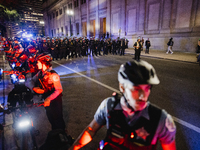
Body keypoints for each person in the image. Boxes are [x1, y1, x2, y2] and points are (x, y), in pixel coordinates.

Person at [69, 60, 176, 150]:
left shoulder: (161, 120)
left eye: (147, 88)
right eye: (136, 89)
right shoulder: (109, 106)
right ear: (122, 87)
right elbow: (91, 130)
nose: (143, 95)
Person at [32, 54, 66, 131]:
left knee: (58, 119)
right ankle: (55, 134)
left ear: (43, 63)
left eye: (38, 62)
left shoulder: (53, 75)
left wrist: (49, 98)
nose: (37, 64)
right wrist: (34, 88)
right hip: (46, 99)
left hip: (55, 101)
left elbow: (59, 89)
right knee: (50, 118)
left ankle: (62, 135)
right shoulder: (40, 73)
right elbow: (32, 80)